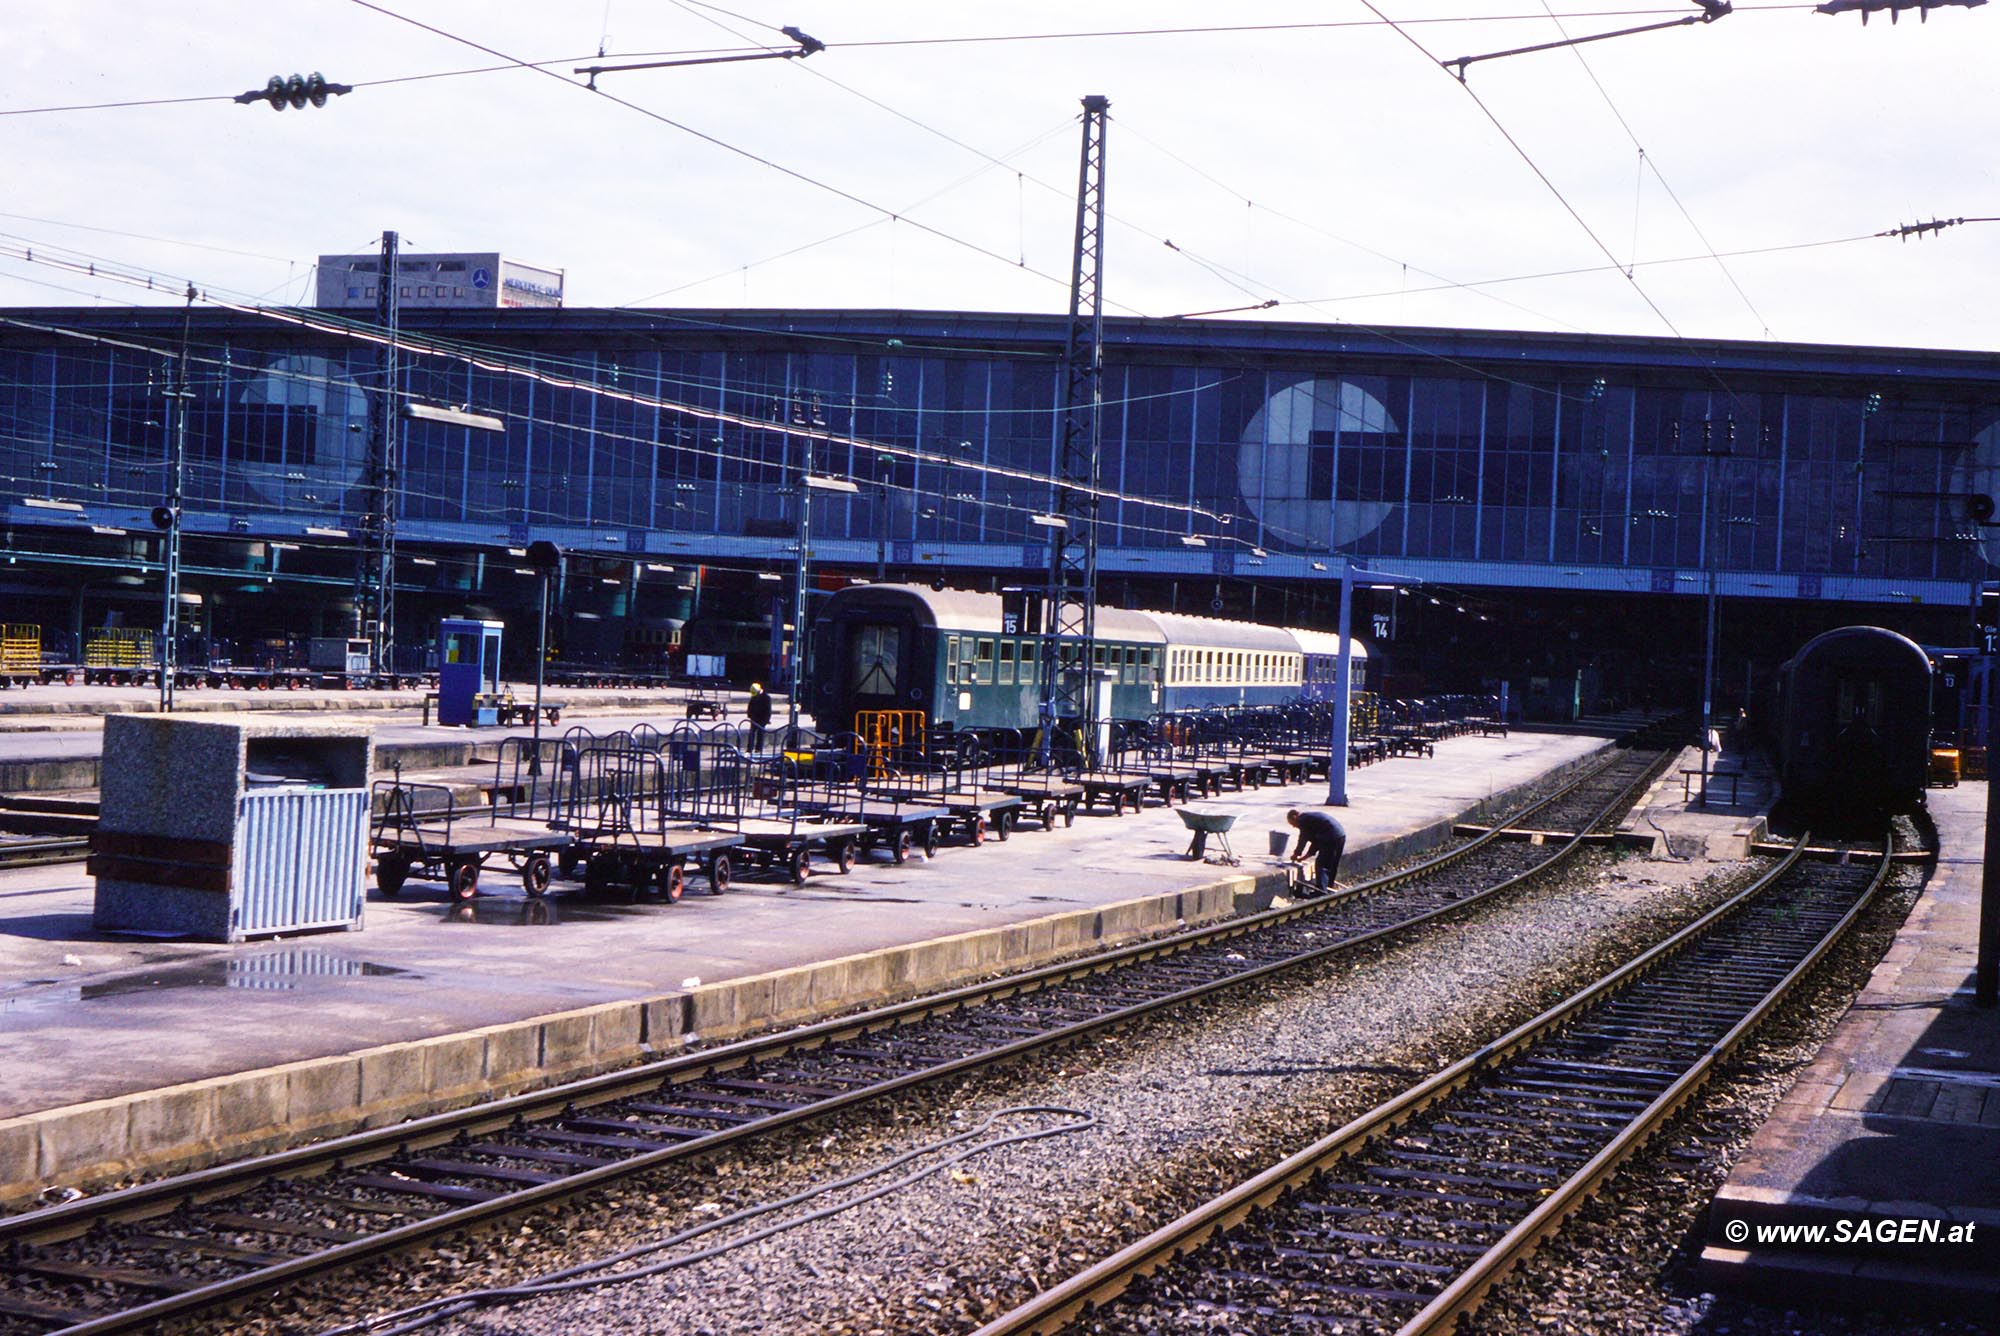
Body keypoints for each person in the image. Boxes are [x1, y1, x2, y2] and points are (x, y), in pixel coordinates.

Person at [1285, 807, 1346, 894]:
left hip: (1331, 836)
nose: (1294, 826)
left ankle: (1321, 890)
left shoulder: (1302, 820)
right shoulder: (1310, 818)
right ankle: (1329, 886)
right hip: (1340, 835)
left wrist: (1296, 854)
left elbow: (1303, 839)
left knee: (1321, 864)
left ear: (1295, 817)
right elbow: (1316, 842)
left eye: (1292, 823)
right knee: (1332, 864)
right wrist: (1304, 857)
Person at [745, 682, 773, 752]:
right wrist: (749, 714)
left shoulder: (766, 697)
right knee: (751, 733)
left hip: (762, 718)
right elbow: (750, 706)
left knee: (760, 734)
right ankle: (749, 748)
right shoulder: (753, 697)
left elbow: (768, 710)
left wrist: (767, 719)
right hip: (754, 717)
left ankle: (758, 749)